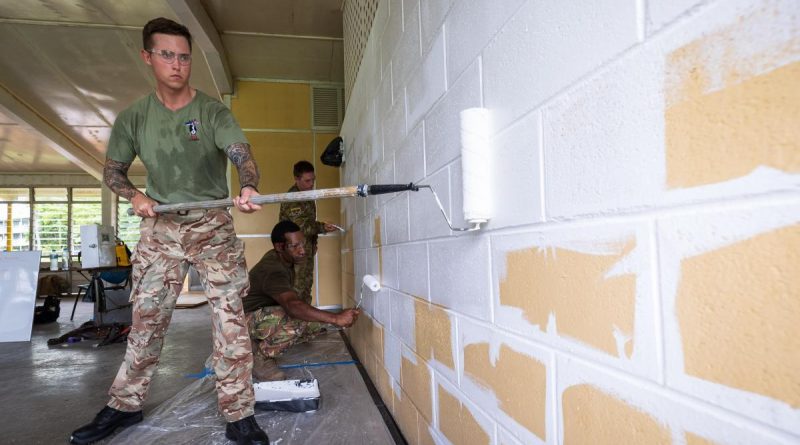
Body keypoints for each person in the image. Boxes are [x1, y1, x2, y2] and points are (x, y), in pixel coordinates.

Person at [70, 18, 268, 445]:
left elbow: (241, 154)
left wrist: (248, 184)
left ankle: (239, 414)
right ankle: (124, 407)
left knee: (230, 320)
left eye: (183, 56)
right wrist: (135, 196)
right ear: (148, 57)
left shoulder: (211, 112)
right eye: (167, 55)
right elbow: (113, 172)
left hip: (212, 224)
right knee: (146, 319)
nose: (177, 65)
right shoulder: (134, 117)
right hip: (161, 228)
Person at [244, 220, 361, 381]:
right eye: (295, 246)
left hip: (260, 312)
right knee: (298, 318)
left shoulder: (281, 257)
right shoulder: (273, 270)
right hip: (242, 322)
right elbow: (293, 306)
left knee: (313, 324)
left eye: (303, 244)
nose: (302, 251)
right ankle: (259, 357)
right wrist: (336, 318)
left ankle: (257, 339)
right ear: (279, 247)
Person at [278, 161, 338, 304]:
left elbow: (309, 223)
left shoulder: (307, 196)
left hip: (305, 249)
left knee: (305, 286)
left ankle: (304, 323)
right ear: (296, 179)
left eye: (313, 180)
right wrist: (323, 227)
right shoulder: (292, 199)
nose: (311, 184)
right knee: (296, 289)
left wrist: (314, 242)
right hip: (294, 252)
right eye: (307, 180)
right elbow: (301, 228)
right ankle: (294, 324)